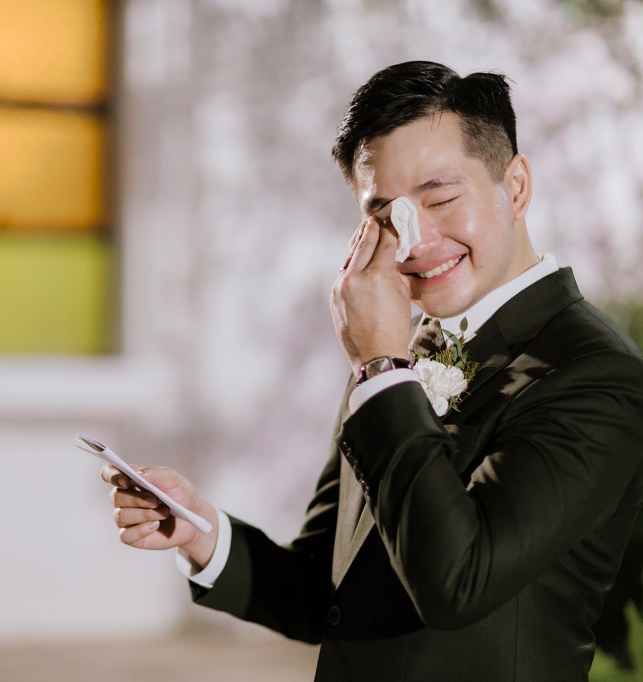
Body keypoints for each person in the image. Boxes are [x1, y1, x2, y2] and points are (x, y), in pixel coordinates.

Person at [102, 61, 643, 680]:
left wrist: (382, 370)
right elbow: (329, 594)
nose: (414, 241)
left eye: (441, 198)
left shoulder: (595, 372)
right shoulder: (396, 353)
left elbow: (457, 583)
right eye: (386, 215)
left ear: (516, 186)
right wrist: (202, 532)